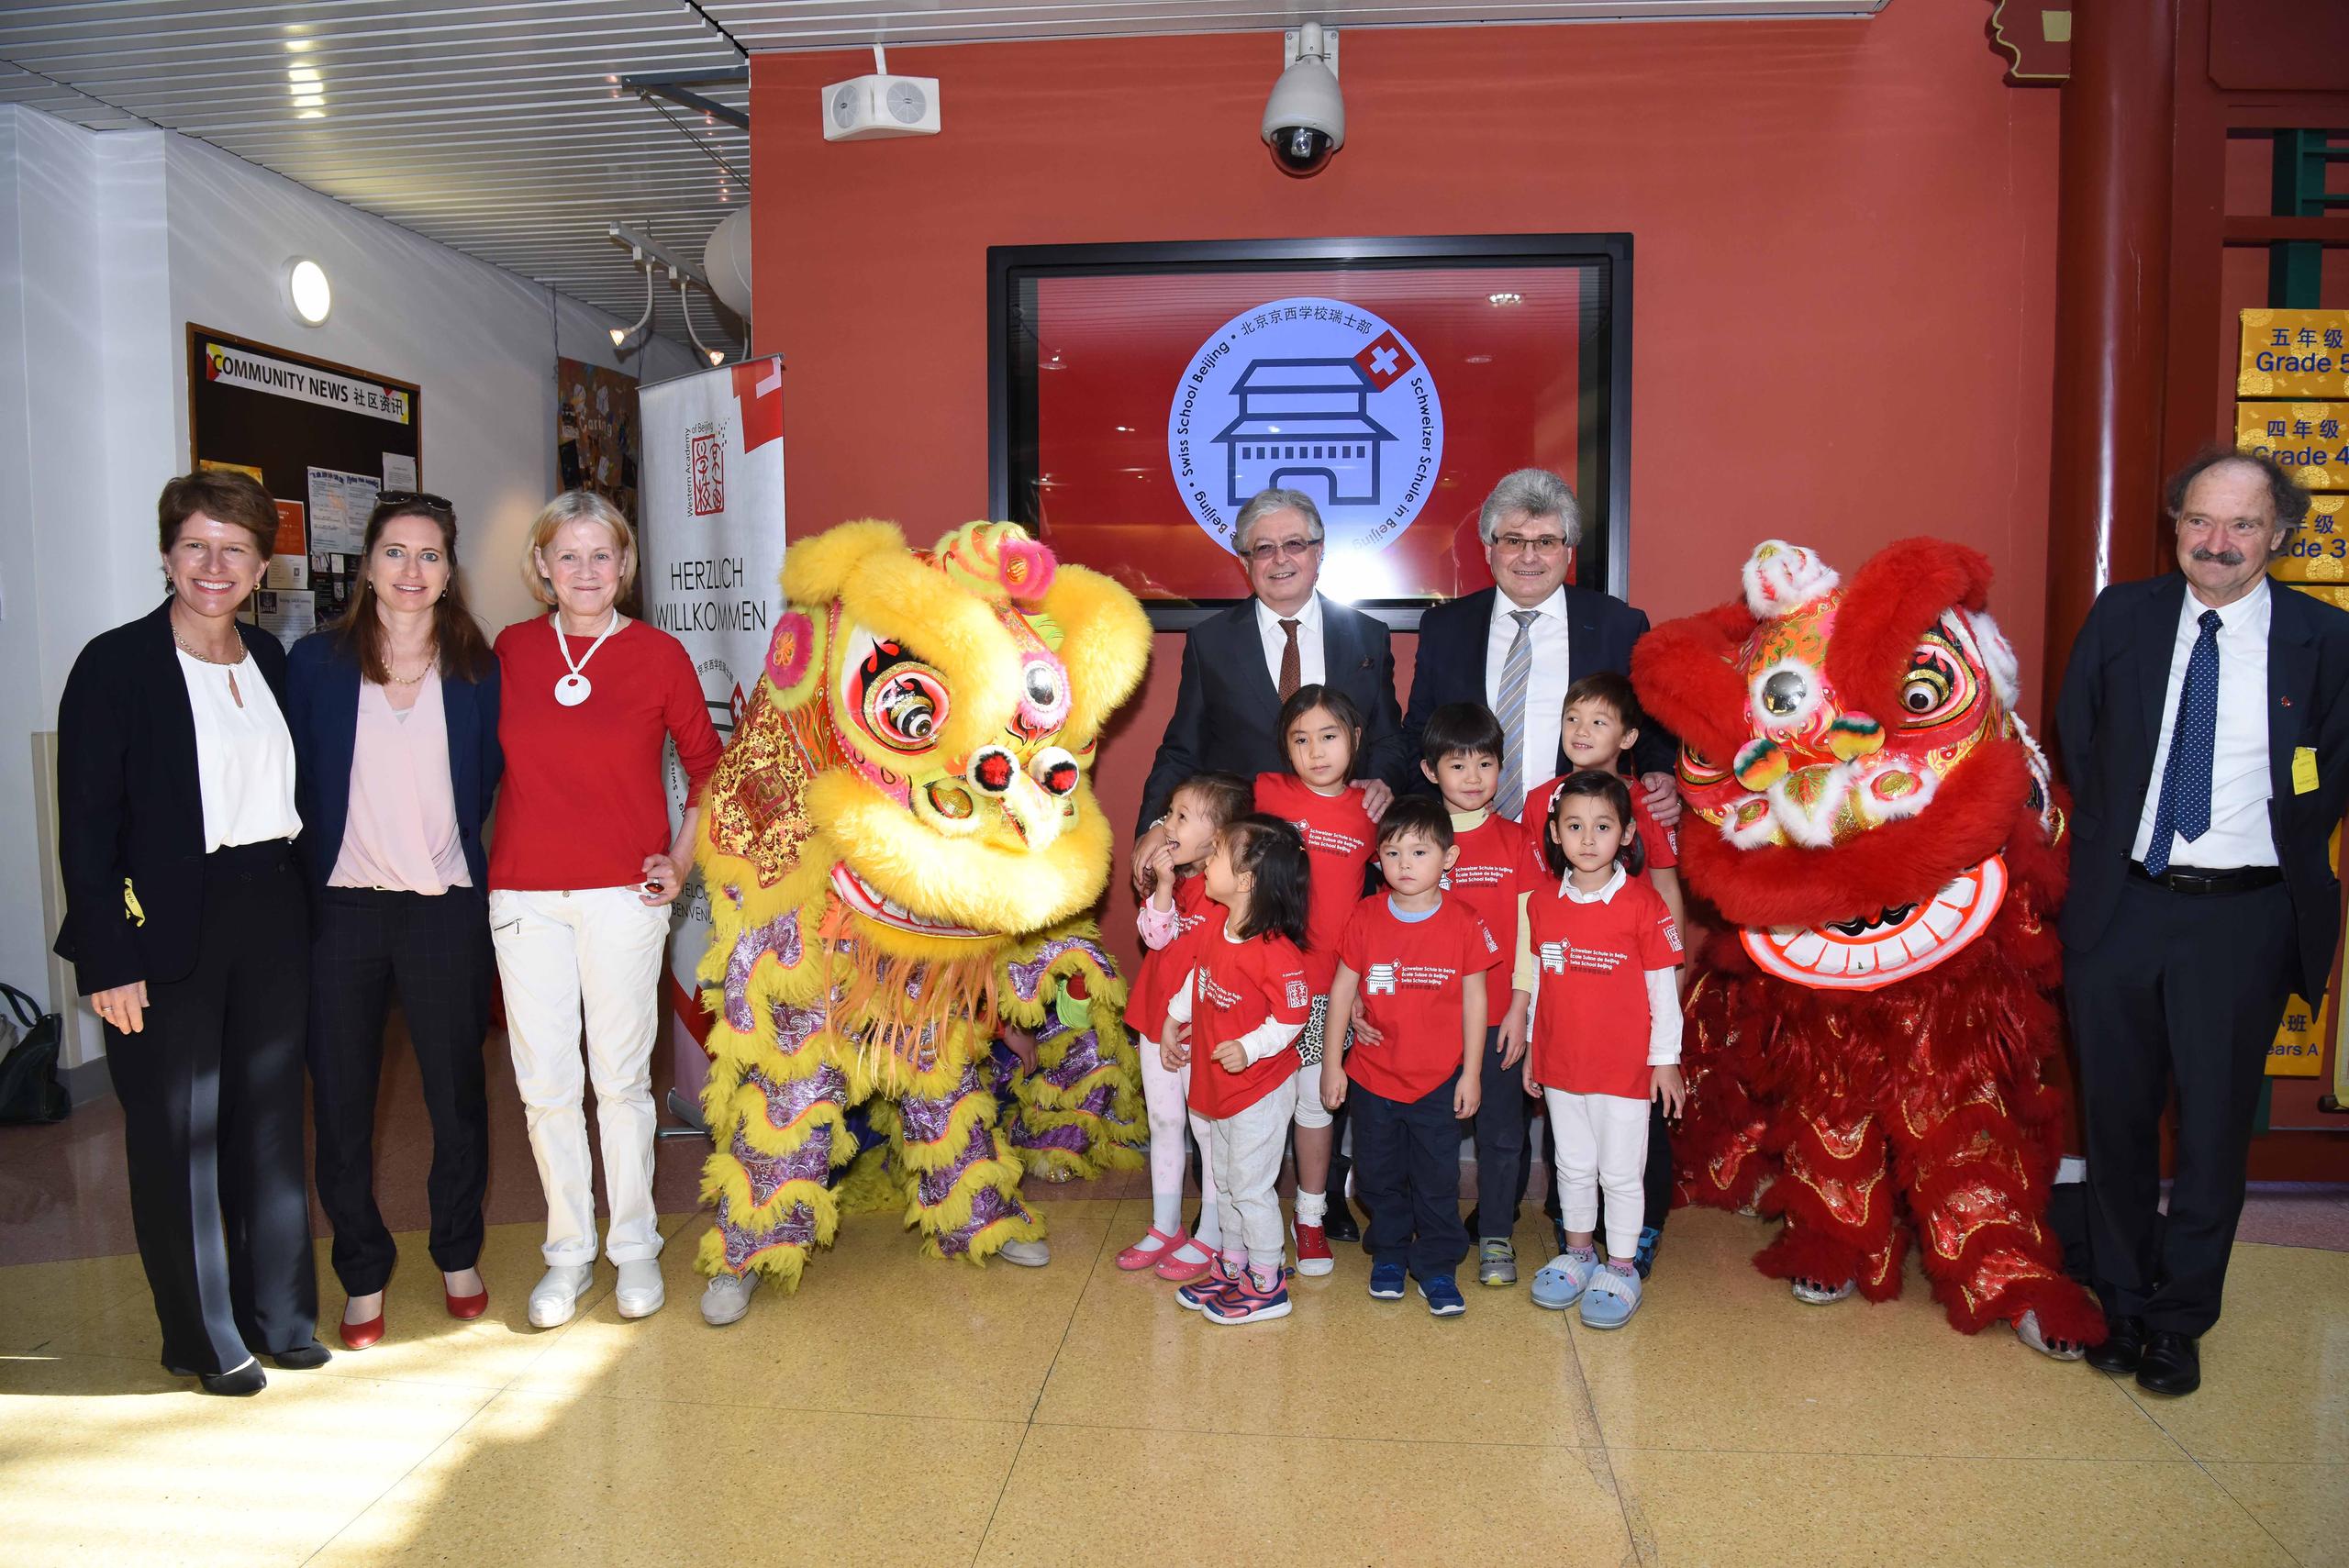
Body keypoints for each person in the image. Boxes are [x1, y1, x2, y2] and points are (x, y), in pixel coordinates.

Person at [2057, 449, 2349, 1397]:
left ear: (2279, 535)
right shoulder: (2122, 617)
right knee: (2117, 1120)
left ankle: (2180, 1318)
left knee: (2217, 1129)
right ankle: (2118, 1300)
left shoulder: (2325, 639)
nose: (2217, 544)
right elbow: (2078, 731)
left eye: (2242, 525)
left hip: (2243, 918)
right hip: (2124, 907)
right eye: (2198, 521)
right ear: (2174, 523)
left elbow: (2333, 770)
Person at [54, 470, 324, 1396]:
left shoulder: (273, 660)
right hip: (163, 920)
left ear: (263, 564)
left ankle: (282, 1313)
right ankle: (204, 1335)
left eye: (236, 549)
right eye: (196, 546)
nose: (216, 566)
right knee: (181, 1134)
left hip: (272, 907)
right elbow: (85, 827)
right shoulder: (115, 663)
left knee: (270, 1125)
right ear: (168, 553)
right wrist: (107, 957)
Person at [490, 491, 725, 1329]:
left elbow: (709, 769)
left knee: (621, 1083)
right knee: (546, 1085)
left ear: (625, 566)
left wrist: (681, 860)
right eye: (568, 555)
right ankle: (567, 1255)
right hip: (523, 897)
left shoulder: (659, 655)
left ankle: (633, 1248)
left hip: (625, 898)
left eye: (602, 555)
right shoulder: (512, 650)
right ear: (543, 567)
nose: (586, 571)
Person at [285, 491, 502, 1350]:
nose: (413, 571)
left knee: (457, 1096)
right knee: (339, 1102)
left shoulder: (479, 667)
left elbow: (486, 779)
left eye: (431, 556)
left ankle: (458, 1252)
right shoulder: (312, 664)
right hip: (342, 911)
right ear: (368, 563)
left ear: (451, 572)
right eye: (396, 553)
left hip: (444, 908)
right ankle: (362, 1272)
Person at [1511, 672, 1688, 1273]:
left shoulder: (1647, 800)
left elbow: (1664, 887)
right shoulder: (1542, 800)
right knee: (1575, 1147)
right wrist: (1529, 1015)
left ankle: (1632, 1241)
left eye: (1599, 721)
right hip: (1568, 1002)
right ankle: (1577, 1239)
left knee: (1632, 1145)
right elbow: (1536, 909)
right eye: (1573, 720)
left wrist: (1670, 981)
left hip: (1628, 998)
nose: (1583, 732)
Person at [1402, 468, 1679, 826]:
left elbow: (1647, 725)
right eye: (1513, 541)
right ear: (1489, 549)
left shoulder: (1620, 627)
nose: (1528, 557)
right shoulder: (1445, 627)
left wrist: (1661, 773)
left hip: (1584, 841)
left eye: (1546, 542)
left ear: (1569, 551)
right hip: (1467, 843)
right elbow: (1421, 733)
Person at [1319, 796, 1493, 1316]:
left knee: (1438, 1181)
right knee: (1377, 1176)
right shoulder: (1366, 917)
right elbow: (1342, 992)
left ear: (1449, 858)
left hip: (1439, 1081)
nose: (1405, 865)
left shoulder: (1464, 922)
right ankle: (1389, 1254)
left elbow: (1475, 1000)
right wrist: (1332, 1064)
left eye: (1420, 852)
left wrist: (1473, 1075)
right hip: (1373, 1080)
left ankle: (1438, 1267)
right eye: (1392, 853)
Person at [1159, 814, 1313, 1326]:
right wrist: (1173, 1020)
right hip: (1219, 1087)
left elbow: (1294, 1016)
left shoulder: (1278, 954)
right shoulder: (1218, 930)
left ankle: (1269, 1282)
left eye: (1219, 853)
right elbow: (1196, 981)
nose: (1206, 861)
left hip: (1259, 1091)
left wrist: (1249, 1047)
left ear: (1247, 879)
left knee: (1250, 1186)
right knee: (1223, 1181)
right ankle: (1235, 1264)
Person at [1252, 685, 1377, 1275]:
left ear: (1354, 741)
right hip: (1263, 986)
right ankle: (1241, 1218)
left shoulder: (1371, 811)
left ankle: (1310, 1216)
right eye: (1300, 740)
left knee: (1315, 1106)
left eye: (1329, 737)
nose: (1316, 751)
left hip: (1329, 991)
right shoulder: (1266, 793)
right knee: (1257, 1105)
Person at [1409, 703, 1535, 1286]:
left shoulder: (1516, 842)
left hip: (1498, 1018)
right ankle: (1430, 1230)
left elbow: (1536, 928)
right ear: (1431, 770)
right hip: (1427, 1018)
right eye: (1457, 764)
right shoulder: (1411, 842)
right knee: (1427, 1130)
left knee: (1501, 1134)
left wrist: (1520, 1005)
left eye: (1486, 763)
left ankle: (1496, 1239)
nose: (1473, 776)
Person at [1118, 771, 1252, 1284]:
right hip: (1156, 1020)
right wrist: (1165, 889)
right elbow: (1154, 938)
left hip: (1203, 1032)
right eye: (1169, 813)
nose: (1167, 825)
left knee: (1209, 1131)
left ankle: (1212, 1233)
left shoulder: (1228, 892)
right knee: (1165, 1123)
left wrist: (1191, 1022)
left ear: (1218, 837)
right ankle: (1165, 1225)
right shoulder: (1168, 881)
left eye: (1180, 816)